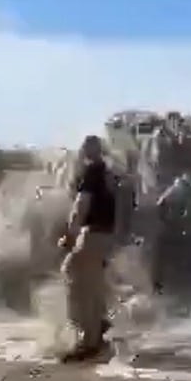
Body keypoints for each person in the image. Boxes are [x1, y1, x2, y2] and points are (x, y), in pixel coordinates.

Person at [58, 135, 122, 363]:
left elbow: (81, 206)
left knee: (74, 276)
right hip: (106, 234)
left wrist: (69, 234)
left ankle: (89, 338)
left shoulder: (92, 173)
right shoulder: (108, 173)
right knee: (92, 282)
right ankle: (98, 324)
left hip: (93, 233)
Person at [151, 161, 191, 293]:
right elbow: (161, 205)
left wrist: (170, 221)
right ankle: (158, 282)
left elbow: (160, 204)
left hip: (190, 231)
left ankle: (158, 283)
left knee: (160, 245)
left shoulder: (184, 187)